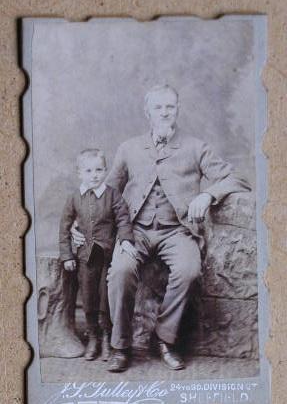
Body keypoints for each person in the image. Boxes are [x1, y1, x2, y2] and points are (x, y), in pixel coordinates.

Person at [72, 84, 250, 372]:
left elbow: (237, 178)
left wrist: (208, 195)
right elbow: (107, 192)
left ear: (177, 109)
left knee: (189, 270)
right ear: (148, 112)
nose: (165, 112)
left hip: (176, 231)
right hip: (134, 231)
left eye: (170, 106)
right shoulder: (129, 148)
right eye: (158, 107)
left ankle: (164, 338)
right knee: (120, 271)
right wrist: (80, 225)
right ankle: (121, 345)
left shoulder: (196, 147)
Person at [59, 148, 136, 361]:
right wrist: (67, 256)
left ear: (105, 170)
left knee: (105, 298)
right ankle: (92, 336)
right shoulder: (74, 198)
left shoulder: (112, 195)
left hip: (106, 257)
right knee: (88, 297)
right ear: (79, 173)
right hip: (85, 258)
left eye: (99, 170)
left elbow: (123, 219)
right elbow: (64, 228)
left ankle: (106, 336)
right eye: (89, 170)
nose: (95, 175)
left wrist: (127, 241)